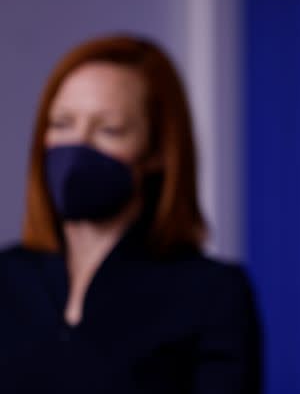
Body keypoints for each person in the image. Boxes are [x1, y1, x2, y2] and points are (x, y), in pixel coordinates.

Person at [0, 35, 261, 393]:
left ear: (157, 152)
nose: (77, 147)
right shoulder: (8, 278)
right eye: (61, 123)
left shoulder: (212, 296)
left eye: (109, 130)